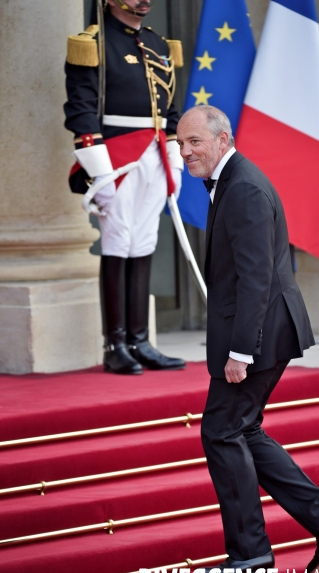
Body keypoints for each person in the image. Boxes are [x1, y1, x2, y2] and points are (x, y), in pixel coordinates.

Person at [176, 106, 319, 573]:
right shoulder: (232, 181)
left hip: (260, 334)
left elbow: (257, 277)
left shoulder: (245, 187)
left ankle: (251, 553)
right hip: (264, 329)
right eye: (181, 143)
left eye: (195, 141)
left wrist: (241, 351)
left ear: (222, 139)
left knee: (220, 431)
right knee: (242, 429)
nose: (186, 151)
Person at [64, 0, 185, 374]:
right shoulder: (93, 42)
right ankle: (115, 343)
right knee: (118, 241)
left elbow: (170, 109)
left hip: (156, 153)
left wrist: (176, 159)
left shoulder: (158, 43)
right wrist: (100, 172)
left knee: (144, 240)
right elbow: (81, 110)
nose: (144, 1)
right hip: (116, 155)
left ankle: (140, 340)